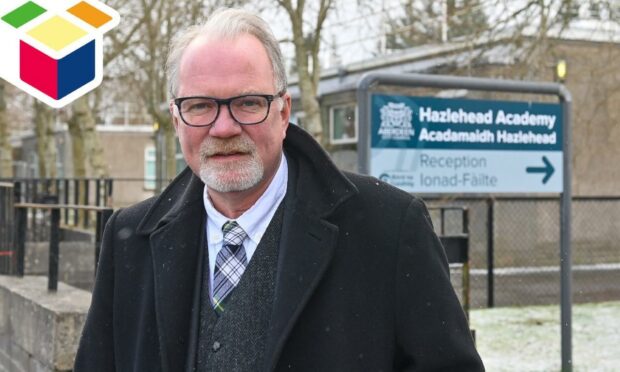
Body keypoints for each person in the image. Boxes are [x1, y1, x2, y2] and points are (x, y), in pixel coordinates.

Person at [75, 7, 484, 372]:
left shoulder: (387, 228)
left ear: (284, 111)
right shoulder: (130, 241)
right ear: (177, 119)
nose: (223, 128)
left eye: (248, 102)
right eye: (200, 105)